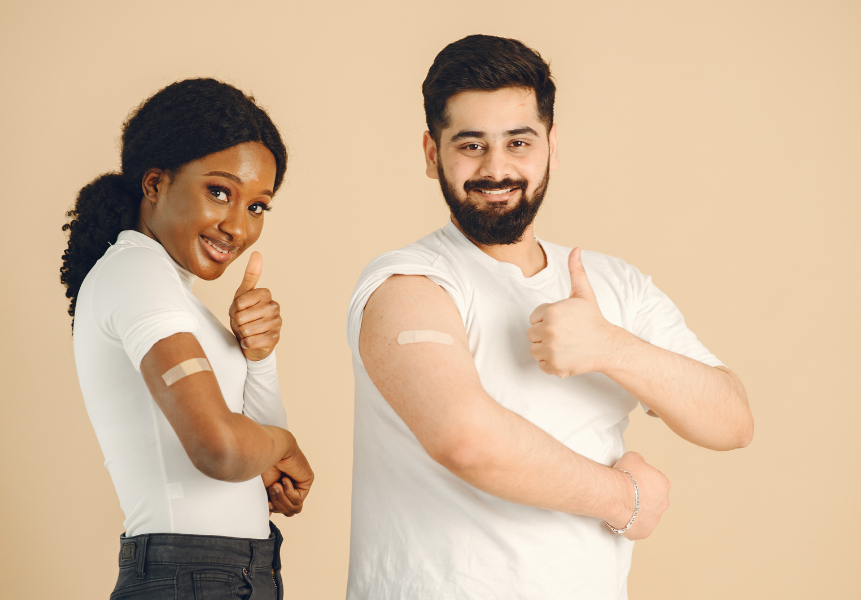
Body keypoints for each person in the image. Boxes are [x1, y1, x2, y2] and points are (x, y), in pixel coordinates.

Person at [345, 35, 754, 599]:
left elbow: (731, 421)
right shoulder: (408, 285)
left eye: (519, 142)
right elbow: (465, 439)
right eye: (470, 145)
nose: (496, 168)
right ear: (430, 152)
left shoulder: (614, 284)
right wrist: (625, 500)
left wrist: (612, 347)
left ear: (552, 146)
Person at [61, 78, 312, 600]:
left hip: (234, 571)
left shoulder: (173, 298)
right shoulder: (137, 275)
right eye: (219, 192)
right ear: (155, 183)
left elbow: (255, 463)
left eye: (257, 206)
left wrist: (257, 357)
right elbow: (220, 449)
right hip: (191, 577)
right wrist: (283, 446)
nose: (236, 227)